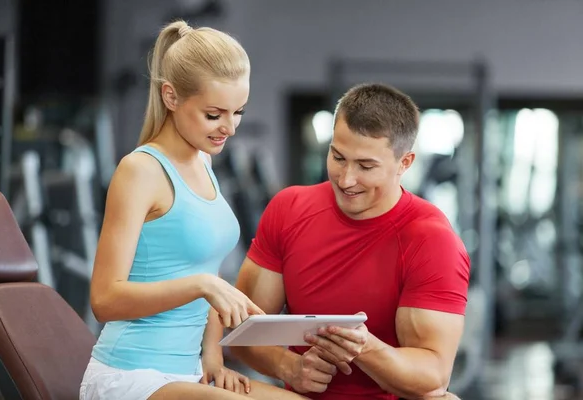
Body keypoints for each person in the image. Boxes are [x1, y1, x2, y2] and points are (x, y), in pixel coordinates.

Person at [79, 20, 308, 400]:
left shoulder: (205, 162)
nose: (229, 128)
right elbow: (104, 300)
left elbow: (204, 268)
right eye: (214, 114)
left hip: (189, 370)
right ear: (171, 97)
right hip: (131, 374)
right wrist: (203, 286)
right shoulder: (140, 170)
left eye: (239, 113)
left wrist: (213, 355)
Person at [231, 83, 470, 400]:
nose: (346, 180)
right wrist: (288, 366)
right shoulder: (288, 209)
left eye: (366, 166)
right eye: (338, 157)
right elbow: (243, 333)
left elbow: (433, 376)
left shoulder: (432, 240)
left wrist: (365, 348)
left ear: (405, 163)